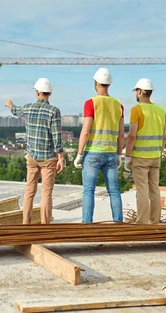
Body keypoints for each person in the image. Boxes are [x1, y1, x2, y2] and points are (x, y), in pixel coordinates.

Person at [5, 78, 64, 224]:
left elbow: (15, 110)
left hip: (32, 157)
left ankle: (26, 223)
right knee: (46, 193)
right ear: (49, 93)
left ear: (37, 92)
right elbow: (57, 136)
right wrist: (61, 157)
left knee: (29, 191)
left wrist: (10, 104)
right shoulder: (54, 111)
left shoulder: (28, 108)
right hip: (48, 158)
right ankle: (44, 225)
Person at [74, 68, 124, 223]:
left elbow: (85, 131)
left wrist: (79, 154)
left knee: (88, 191)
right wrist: (119, 154)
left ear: (95, 83)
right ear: (109, 84)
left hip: (93, 153)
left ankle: (87, 225)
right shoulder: (118, 105)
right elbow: (121, 134)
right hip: (110, 153)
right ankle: (118, 224)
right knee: (114, 191)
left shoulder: (91, 103)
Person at [124, 78, 166, 224]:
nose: (135, 94)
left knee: (142, 190)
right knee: (154, 189)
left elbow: (131, 136)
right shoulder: (161, 111)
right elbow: (165, 136)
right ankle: (155, 221)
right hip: (156, 156)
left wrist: (127, 156)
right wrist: (159, 153)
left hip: (140, 157)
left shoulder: (137, 110)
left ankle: (142, 222)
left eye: (136, 91)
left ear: (141, 92)